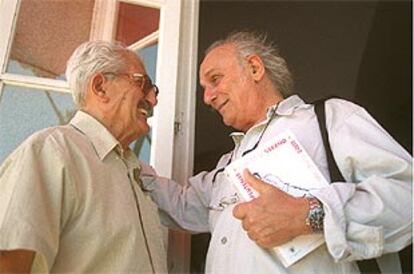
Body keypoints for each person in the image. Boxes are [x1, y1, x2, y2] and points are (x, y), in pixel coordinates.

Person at [140, 31, 412, 273]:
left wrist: (308, 215)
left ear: (255, 68)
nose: (207, 97)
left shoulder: (329, 119)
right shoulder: (226, 167)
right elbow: (180, 205)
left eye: (215, 79)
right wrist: (122, 154)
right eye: (205, 88)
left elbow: (408, 197)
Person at [0, 41, 167, 273]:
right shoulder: (53, 151)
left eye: (154, 90)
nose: (153, 100)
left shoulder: (134, 171)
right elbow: (8, 265)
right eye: (143, 83)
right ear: (100, 87)